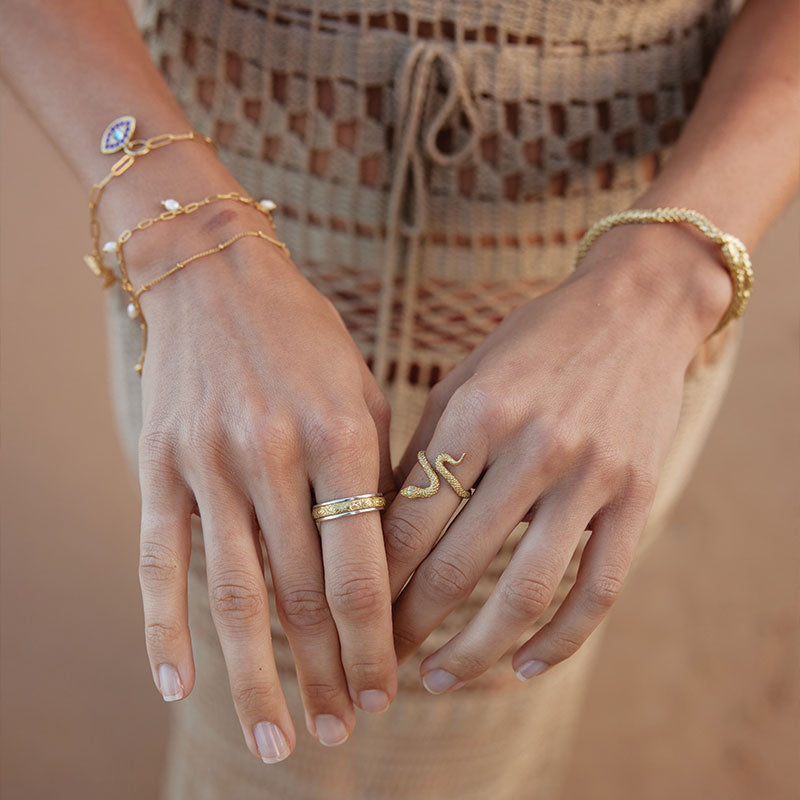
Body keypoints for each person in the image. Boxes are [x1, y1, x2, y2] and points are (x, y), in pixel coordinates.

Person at [2, 0, 797, 797]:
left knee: (496, 695)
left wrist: (665, 283)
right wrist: (183, 237)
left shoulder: (643, 299)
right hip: (206, 273)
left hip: (615, 312)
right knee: (241, 649)